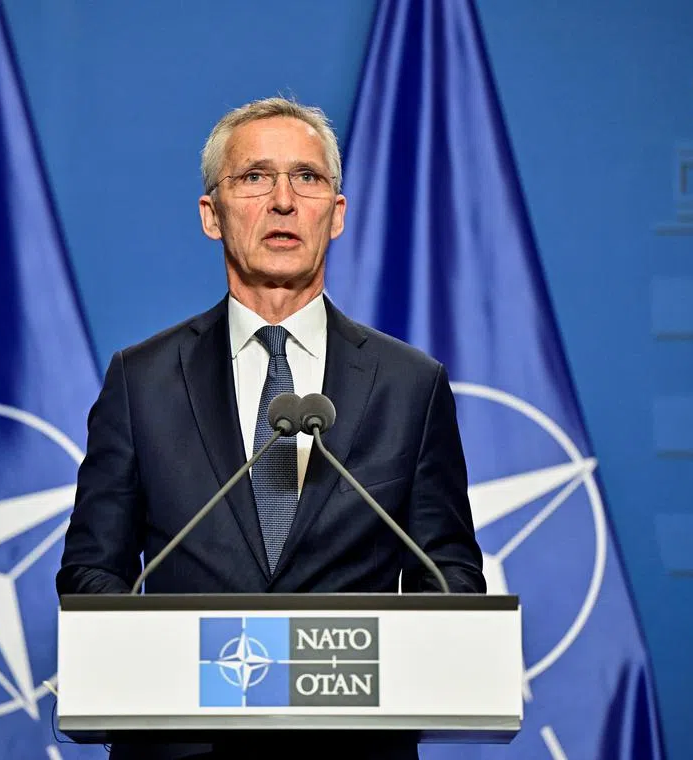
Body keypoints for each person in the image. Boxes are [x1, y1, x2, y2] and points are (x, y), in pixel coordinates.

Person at [57, 97, 485, 759]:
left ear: (335, 215)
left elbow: (449, 579)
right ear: (211, 214)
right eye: (254, 177)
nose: (283, 200)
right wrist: (185, 664)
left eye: (308, 178)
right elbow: (91, 575)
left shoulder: (411, 386)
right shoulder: (140, 381)